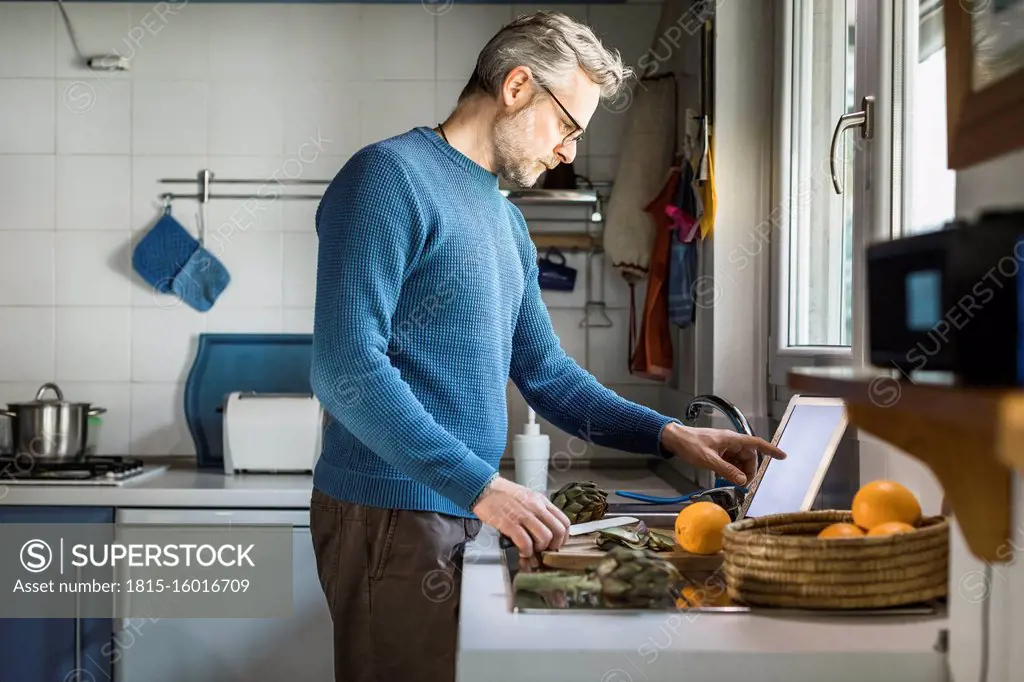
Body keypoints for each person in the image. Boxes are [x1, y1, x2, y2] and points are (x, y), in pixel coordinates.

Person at [308, 11, 786, 682]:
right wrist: (479, 485)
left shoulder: (504, 219)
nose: (568, 151)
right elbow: (344, 369)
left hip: (463, 505)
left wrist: (673, 435)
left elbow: (547, 375)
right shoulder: (388, 178)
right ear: (517, 86)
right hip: (394, 509)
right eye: (567, 125)